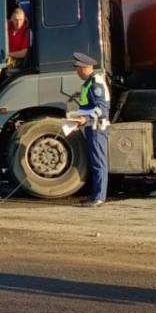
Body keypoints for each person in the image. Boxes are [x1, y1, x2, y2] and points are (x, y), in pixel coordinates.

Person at [68, 52, 110, 207]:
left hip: (98, 127)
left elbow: (102, 109)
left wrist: (86, 119)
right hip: (92, 127)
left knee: (99, 163)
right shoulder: (88, 83)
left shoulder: (96, 82)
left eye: (79, 68)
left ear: (86, 68)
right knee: (95, 162)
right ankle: (95, 195)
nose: (77, 72)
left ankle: (99, 197)